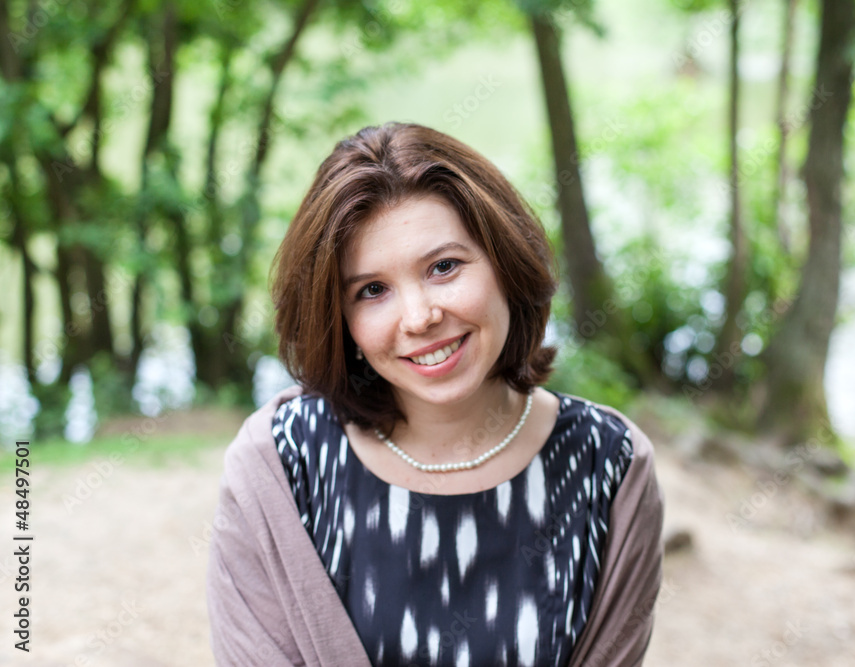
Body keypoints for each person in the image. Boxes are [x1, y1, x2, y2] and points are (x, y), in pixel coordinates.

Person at [206, 122, 665, 666]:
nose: (421, 317)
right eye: (372, 290)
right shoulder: (281, 466)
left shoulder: (608, 466)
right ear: (339, 316)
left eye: (443, 267)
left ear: (505, 263)